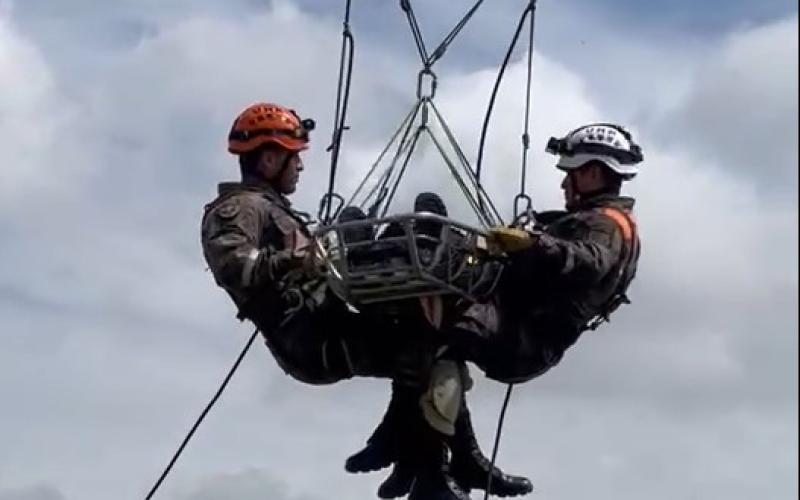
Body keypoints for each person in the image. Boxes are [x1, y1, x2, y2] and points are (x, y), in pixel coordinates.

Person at [201, 102, 523, 499]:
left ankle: (424, 457)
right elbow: (235, 267)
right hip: (306, 337)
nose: (300, 167)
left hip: (328, 321)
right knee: (425, 344)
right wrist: (298, 258)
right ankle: (424, 461)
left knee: (440, 336)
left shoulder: (271, 208)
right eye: (294, 157)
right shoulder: (237, 210)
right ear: (269, 159)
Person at [350, 122, 643, 498]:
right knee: (429, 332)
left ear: (591, 173)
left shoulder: (605, 226)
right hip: (514, 324)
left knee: (431, 307)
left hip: (522, 333)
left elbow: (590, 261)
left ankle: (418, 455)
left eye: (568, 175)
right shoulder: (596, 220)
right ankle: (447, 458)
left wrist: (533, 245)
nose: (563, 185)